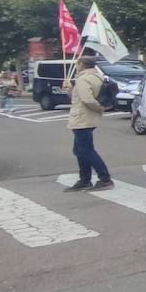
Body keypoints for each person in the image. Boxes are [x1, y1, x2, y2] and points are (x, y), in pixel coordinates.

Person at [62, 56, 113, 191]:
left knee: (86, 150)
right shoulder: (98, 77)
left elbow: (87, 100)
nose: (76, 67)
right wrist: (69, 90)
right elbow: (81, 96)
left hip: (81, 118)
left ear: (82, 65)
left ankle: (104, 178)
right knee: (80, 150)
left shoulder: (83, 79)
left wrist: (99, 107)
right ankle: (85, 179)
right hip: (90, 118)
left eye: (77, 64)